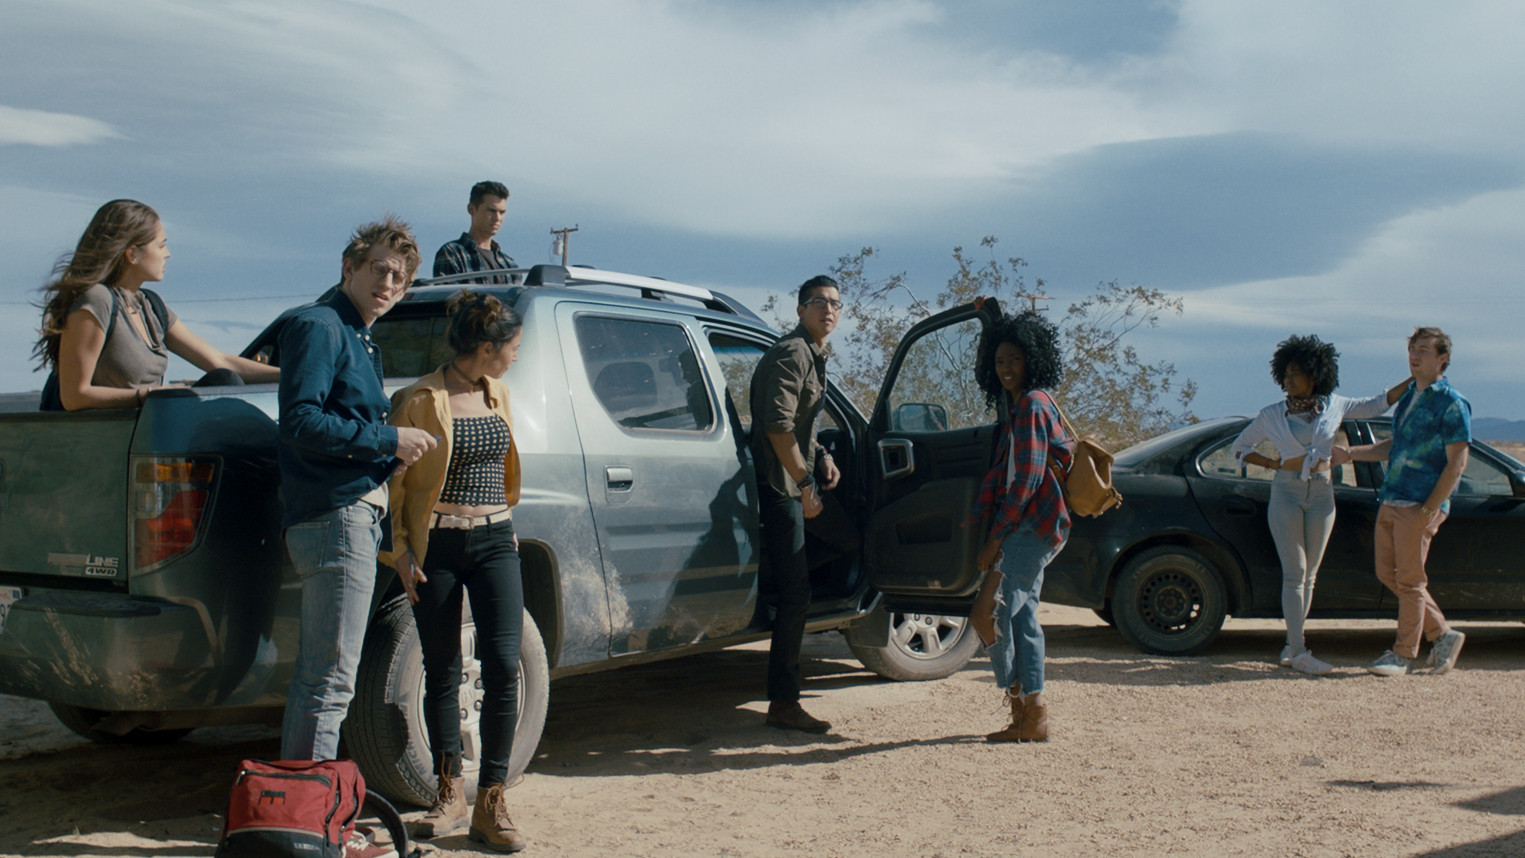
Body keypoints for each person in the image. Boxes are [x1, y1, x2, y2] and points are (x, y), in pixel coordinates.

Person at [277, 216, 438, 764]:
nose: (388, 284)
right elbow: (301, 422)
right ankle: (312, 808)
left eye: (399, 278)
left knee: (324, 678)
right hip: (337, 515)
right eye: (379, 270)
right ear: (350, 267)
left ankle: (307, 799)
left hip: (351, 515)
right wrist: (391, 439)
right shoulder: (320, 326)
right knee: (329, 682)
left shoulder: (358, 337)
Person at [379, 291, 528, 853]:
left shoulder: (498, 393)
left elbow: (503, 466)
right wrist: (400, 552)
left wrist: (505, 520)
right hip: (436, 545)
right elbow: (393, 486)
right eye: (512, 347)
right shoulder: (418, 398)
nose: (516, 356)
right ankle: (449, 794)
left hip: (496, 541)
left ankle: (491, 799)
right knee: (442, 670)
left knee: (504, 666)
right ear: (487, 347)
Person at [1230, 335, 1408, 675]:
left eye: (1296, 373)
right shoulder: (1272, 415)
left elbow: (1377, 404)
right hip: (1286, 492)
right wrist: (1273, 464)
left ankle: (1291, 647)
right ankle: (1299, 650)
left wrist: (1413, 379)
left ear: (1315, 375)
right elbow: (1240, 447)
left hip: (1323, 494)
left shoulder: (1334, 405)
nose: (1288, 380)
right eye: (1285, 374)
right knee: (1294, 572)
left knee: (1309, 575)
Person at [33, 199, 278, 410]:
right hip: (118, 434)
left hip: (153, 429)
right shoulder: (96, 300)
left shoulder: (151, 307)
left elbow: (219, 361)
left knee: (224, 381)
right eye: (161, 245)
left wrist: (291, 377)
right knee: (225, 383)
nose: (167, 253)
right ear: (132, 254)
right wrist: (149, 396)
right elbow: (75, 396)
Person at [1333, 327, 1470, 677]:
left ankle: (1402, 654)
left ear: (1442, 359)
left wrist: (1430, 508)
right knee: (1388, 573)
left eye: (1424, 350)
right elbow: (1394, 446)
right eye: (1412, 349)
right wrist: (1350, 454)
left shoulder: (1451, 402)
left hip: (1419, 503)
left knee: (1409, 581)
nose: (1415, 355)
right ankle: (1443, 634)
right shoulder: (1410, 396)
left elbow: (1457, 462)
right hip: (1392, 496)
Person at [968, 310, 1073, 743]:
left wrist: (995, 538)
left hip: (1032, 525)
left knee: (991, 614)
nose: (1005, 368)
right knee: (1018, 618)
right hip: (1035, 524)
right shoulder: (1025, 404)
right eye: (998, 361)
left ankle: (1022, 704)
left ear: (1032, 359)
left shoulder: (1031, 405)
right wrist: (986, 316)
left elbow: (1027, 478)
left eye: (1013, 359)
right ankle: (1030, 715)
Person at [747, 274, 843, 733]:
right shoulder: (793, 352)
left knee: (845, 539)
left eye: (836, 304)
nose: (829, 310)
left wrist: (821, 454)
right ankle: (784, 703)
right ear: (801, 309)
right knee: (796, 596)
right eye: (819, 302)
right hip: (779, 485)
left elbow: (801, 424)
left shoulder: (812, 354)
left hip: (793, 477)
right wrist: (805, 483)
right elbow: (777, 425)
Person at [433, 181, 517, 283]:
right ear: (472, 209)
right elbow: (449, 292)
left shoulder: (510, 265)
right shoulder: (452, 254)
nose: (497, 218)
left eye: (502, 212)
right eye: (491, 211)